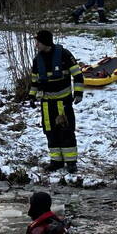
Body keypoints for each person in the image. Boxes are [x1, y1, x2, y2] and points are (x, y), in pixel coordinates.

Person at [29, 29, 84, 171]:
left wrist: (78, 93)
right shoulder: (37, 60)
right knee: (50, 132)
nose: (36, 45)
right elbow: (35, 81)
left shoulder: (64, 55)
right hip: (46, 104)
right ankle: (56, 161)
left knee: (66, 131)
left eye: (38, 42)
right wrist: (32, 96)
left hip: (63, 102)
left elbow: (77, 75)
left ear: (45, 42)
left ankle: (71, 162)